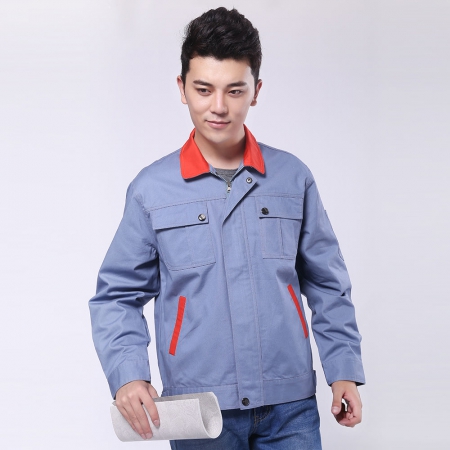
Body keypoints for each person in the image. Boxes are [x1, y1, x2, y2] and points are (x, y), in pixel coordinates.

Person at [89, 7, 365, 449]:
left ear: (256, 91)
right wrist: (128, 374)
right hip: (199, 407)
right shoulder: (151, 190)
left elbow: (327, 283)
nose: (218, 107)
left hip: (290, 405)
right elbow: (116, 295)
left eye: (235, 90)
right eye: (203, 89)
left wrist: (343, 369)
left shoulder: (292, 178)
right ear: (182, 88)